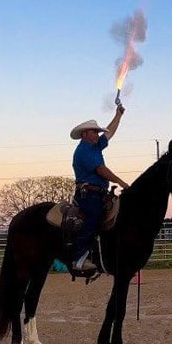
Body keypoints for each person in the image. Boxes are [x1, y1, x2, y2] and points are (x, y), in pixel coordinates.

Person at [69, 105, 130, 272]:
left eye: (97, 132)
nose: (98, 134)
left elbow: (109, 132)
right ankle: (78, 258)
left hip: (99, 193)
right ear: (85, 134)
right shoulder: (83, 151)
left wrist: (118, 115)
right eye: (94, 132)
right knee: (94, 217)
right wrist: (121, 182)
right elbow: (101, 170)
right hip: (88, 195)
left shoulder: (95, 146)